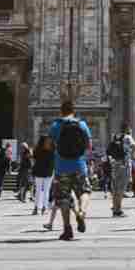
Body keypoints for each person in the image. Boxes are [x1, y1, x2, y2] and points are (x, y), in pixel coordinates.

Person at [48, 99, 92, 241]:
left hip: (61, 167)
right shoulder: (82, 124)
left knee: (63, 198)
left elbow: (48, 146)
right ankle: (81, 212)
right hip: (79, 165)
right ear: (74, 111)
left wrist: (56, 148)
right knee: (84, 191)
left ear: (61, 111)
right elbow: (89, 145)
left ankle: (67, 229)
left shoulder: (56, 125)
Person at [108, 124, 134, 217]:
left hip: (115, 165)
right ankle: (118, 210)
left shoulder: (114, 136)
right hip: (124, 164)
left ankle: (115, 209)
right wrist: (131, 153)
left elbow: (109, 150)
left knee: (115, 188)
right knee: (121, 188)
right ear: (127, 129)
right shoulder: (128, 137)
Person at [31, 135, 55, 216]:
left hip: (39, 171)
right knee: (45, 191)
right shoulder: (52, 150)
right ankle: (44, 208)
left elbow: (34, 158)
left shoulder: (37, 149)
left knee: (38, 190)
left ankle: (36, 208)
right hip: (48, 172)